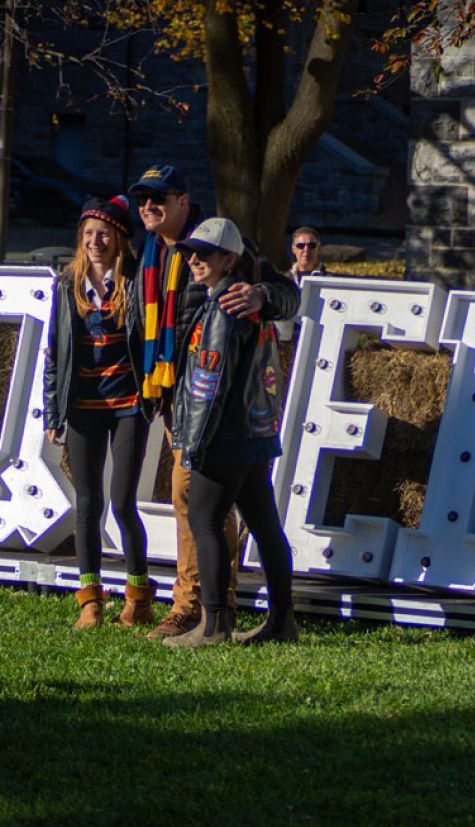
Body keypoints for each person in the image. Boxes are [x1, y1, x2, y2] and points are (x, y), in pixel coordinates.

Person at [125, 164, 299, 641]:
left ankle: (205, 615)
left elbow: (287, 297)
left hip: (213, 419)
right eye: (143, 198)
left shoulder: (229, 280)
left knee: (199, 514)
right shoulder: (147, 254)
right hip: (181, 401)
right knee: (252, 520)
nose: (149, 206)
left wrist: (262, 293)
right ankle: (276, 619)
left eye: (159, 197)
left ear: (184, 200)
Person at [164, 217, 296, 647]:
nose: (194, 259)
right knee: (264, 525)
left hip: (224, 436)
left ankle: (214, 625)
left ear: (230, 259)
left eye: (205, 253)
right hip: (255, 434)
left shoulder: (226, 306)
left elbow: (209, 383)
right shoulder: (245, 303)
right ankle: (281, 622)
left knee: (204, 521)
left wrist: (194, 444)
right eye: (190, 252)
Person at [43, 195, 155, 629]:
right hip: (84, 408)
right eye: (89, 233)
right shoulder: (66, 284)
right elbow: (55, 355)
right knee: (87, 505)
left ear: (120, 239)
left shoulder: (134, 283)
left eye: (104, 233)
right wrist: (54, 412)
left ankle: (139, 596)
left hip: (128, 406)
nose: (95, 241)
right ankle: (90, 599)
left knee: (124, 503)